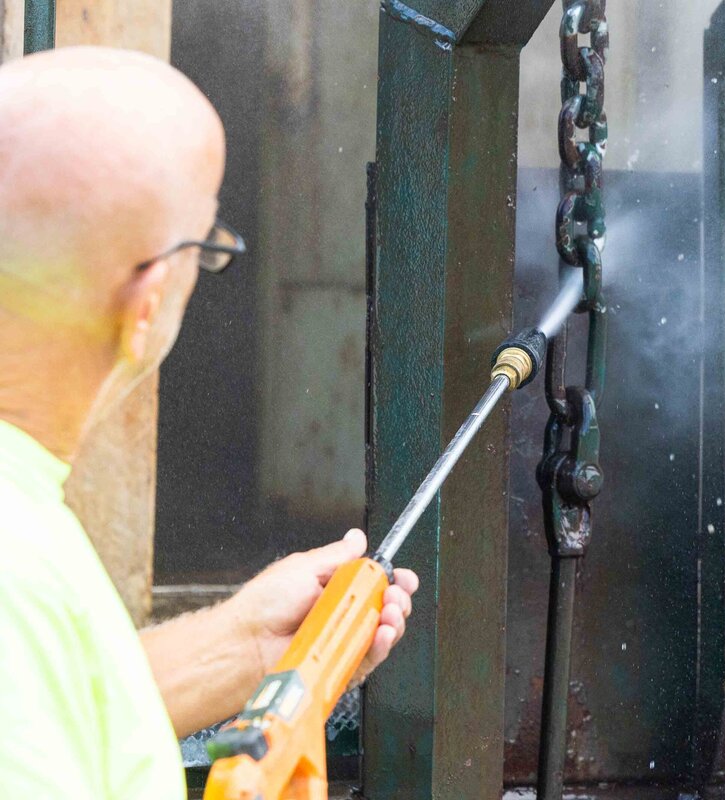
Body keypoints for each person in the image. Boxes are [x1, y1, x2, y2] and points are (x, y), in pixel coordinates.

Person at [0, 46, 419, 798]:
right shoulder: (18, 573)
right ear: (146, 303)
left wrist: (242, 644)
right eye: (206, 247)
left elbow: (43, 706)